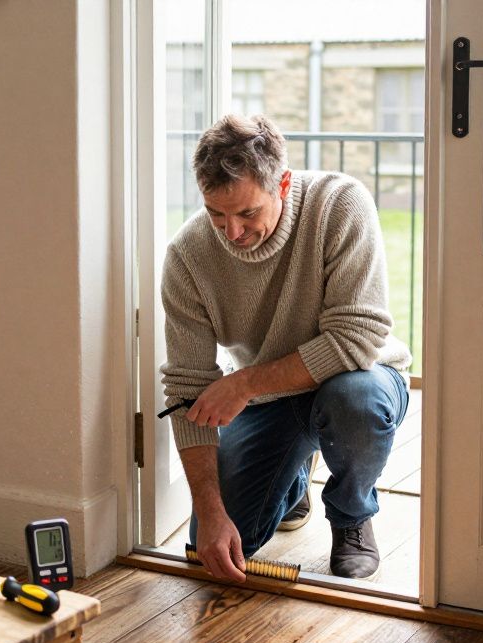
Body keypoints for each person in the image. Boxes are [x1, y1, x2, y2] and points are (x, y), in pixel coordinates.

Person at [160, 114, 412, 582]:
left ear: (283, 184)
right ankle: (294, 475)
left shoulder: (340, 204)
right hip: (273, 397)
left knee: (354, 401)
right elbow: (187, 389)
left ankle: (352, 514)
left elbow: (356, 338)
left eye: (247, 213)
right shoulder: (187, 257)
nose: (231, 232)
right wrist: (209, 509)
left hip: (360, 376)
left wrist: (244, 382)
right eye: (217, 213)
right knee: (211, 547)